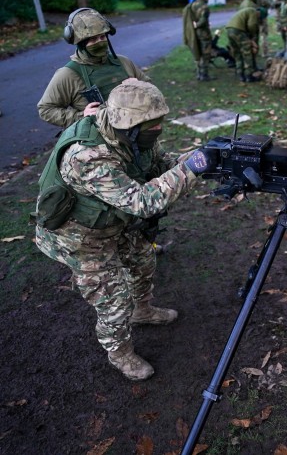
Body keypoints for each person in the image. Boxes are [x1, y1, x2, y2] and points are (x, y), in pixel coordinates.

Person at [33, 79, 219, 381]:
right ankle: (119, 353)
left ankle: (142, 310)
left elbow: (160, 166)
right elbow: (141, 201)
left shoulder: (134, 135)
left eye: (159, 123)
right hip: (79, 236)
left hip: (113, 220)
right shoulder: (87, 156)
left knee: (143, 260)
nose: (158, 129)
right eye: (151, 126)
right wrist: (192, 168)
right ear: (128, 125)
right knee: (112, 299)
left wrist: (203, 158)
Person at [37, 8, 149, 128]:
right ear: (80, 43)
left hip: (136, 129)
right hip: (98, 140)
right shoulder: (68, 74)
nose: (99, 42)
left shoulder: (123, 62)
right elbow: (46, 109)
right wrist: (80, 116)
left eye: (102, 37)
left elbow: (150, 88)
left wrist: (139, 87)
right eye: (92, 39)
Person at [226, 6, 264, 82]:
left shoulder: (248, 11)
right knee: (247, 52)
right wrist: (252, 37)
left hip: (229, 29)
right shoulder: (254, 12)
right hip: (238, 31)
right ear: (259, 14)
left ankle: (240, 74)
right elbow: (251, 25)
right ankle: (249, 75)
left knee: (237, 53)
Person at [183, 0, 214, 81]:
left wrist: (194, 25)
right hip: (203, 33)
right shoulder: (205, 6)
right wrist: (198, 25)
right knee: (206, 54)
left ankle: (199, 74)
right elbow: (203, 20)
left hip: (194, 33)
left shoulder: (193, 4)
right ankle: (204, 75)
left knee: (198, 52)